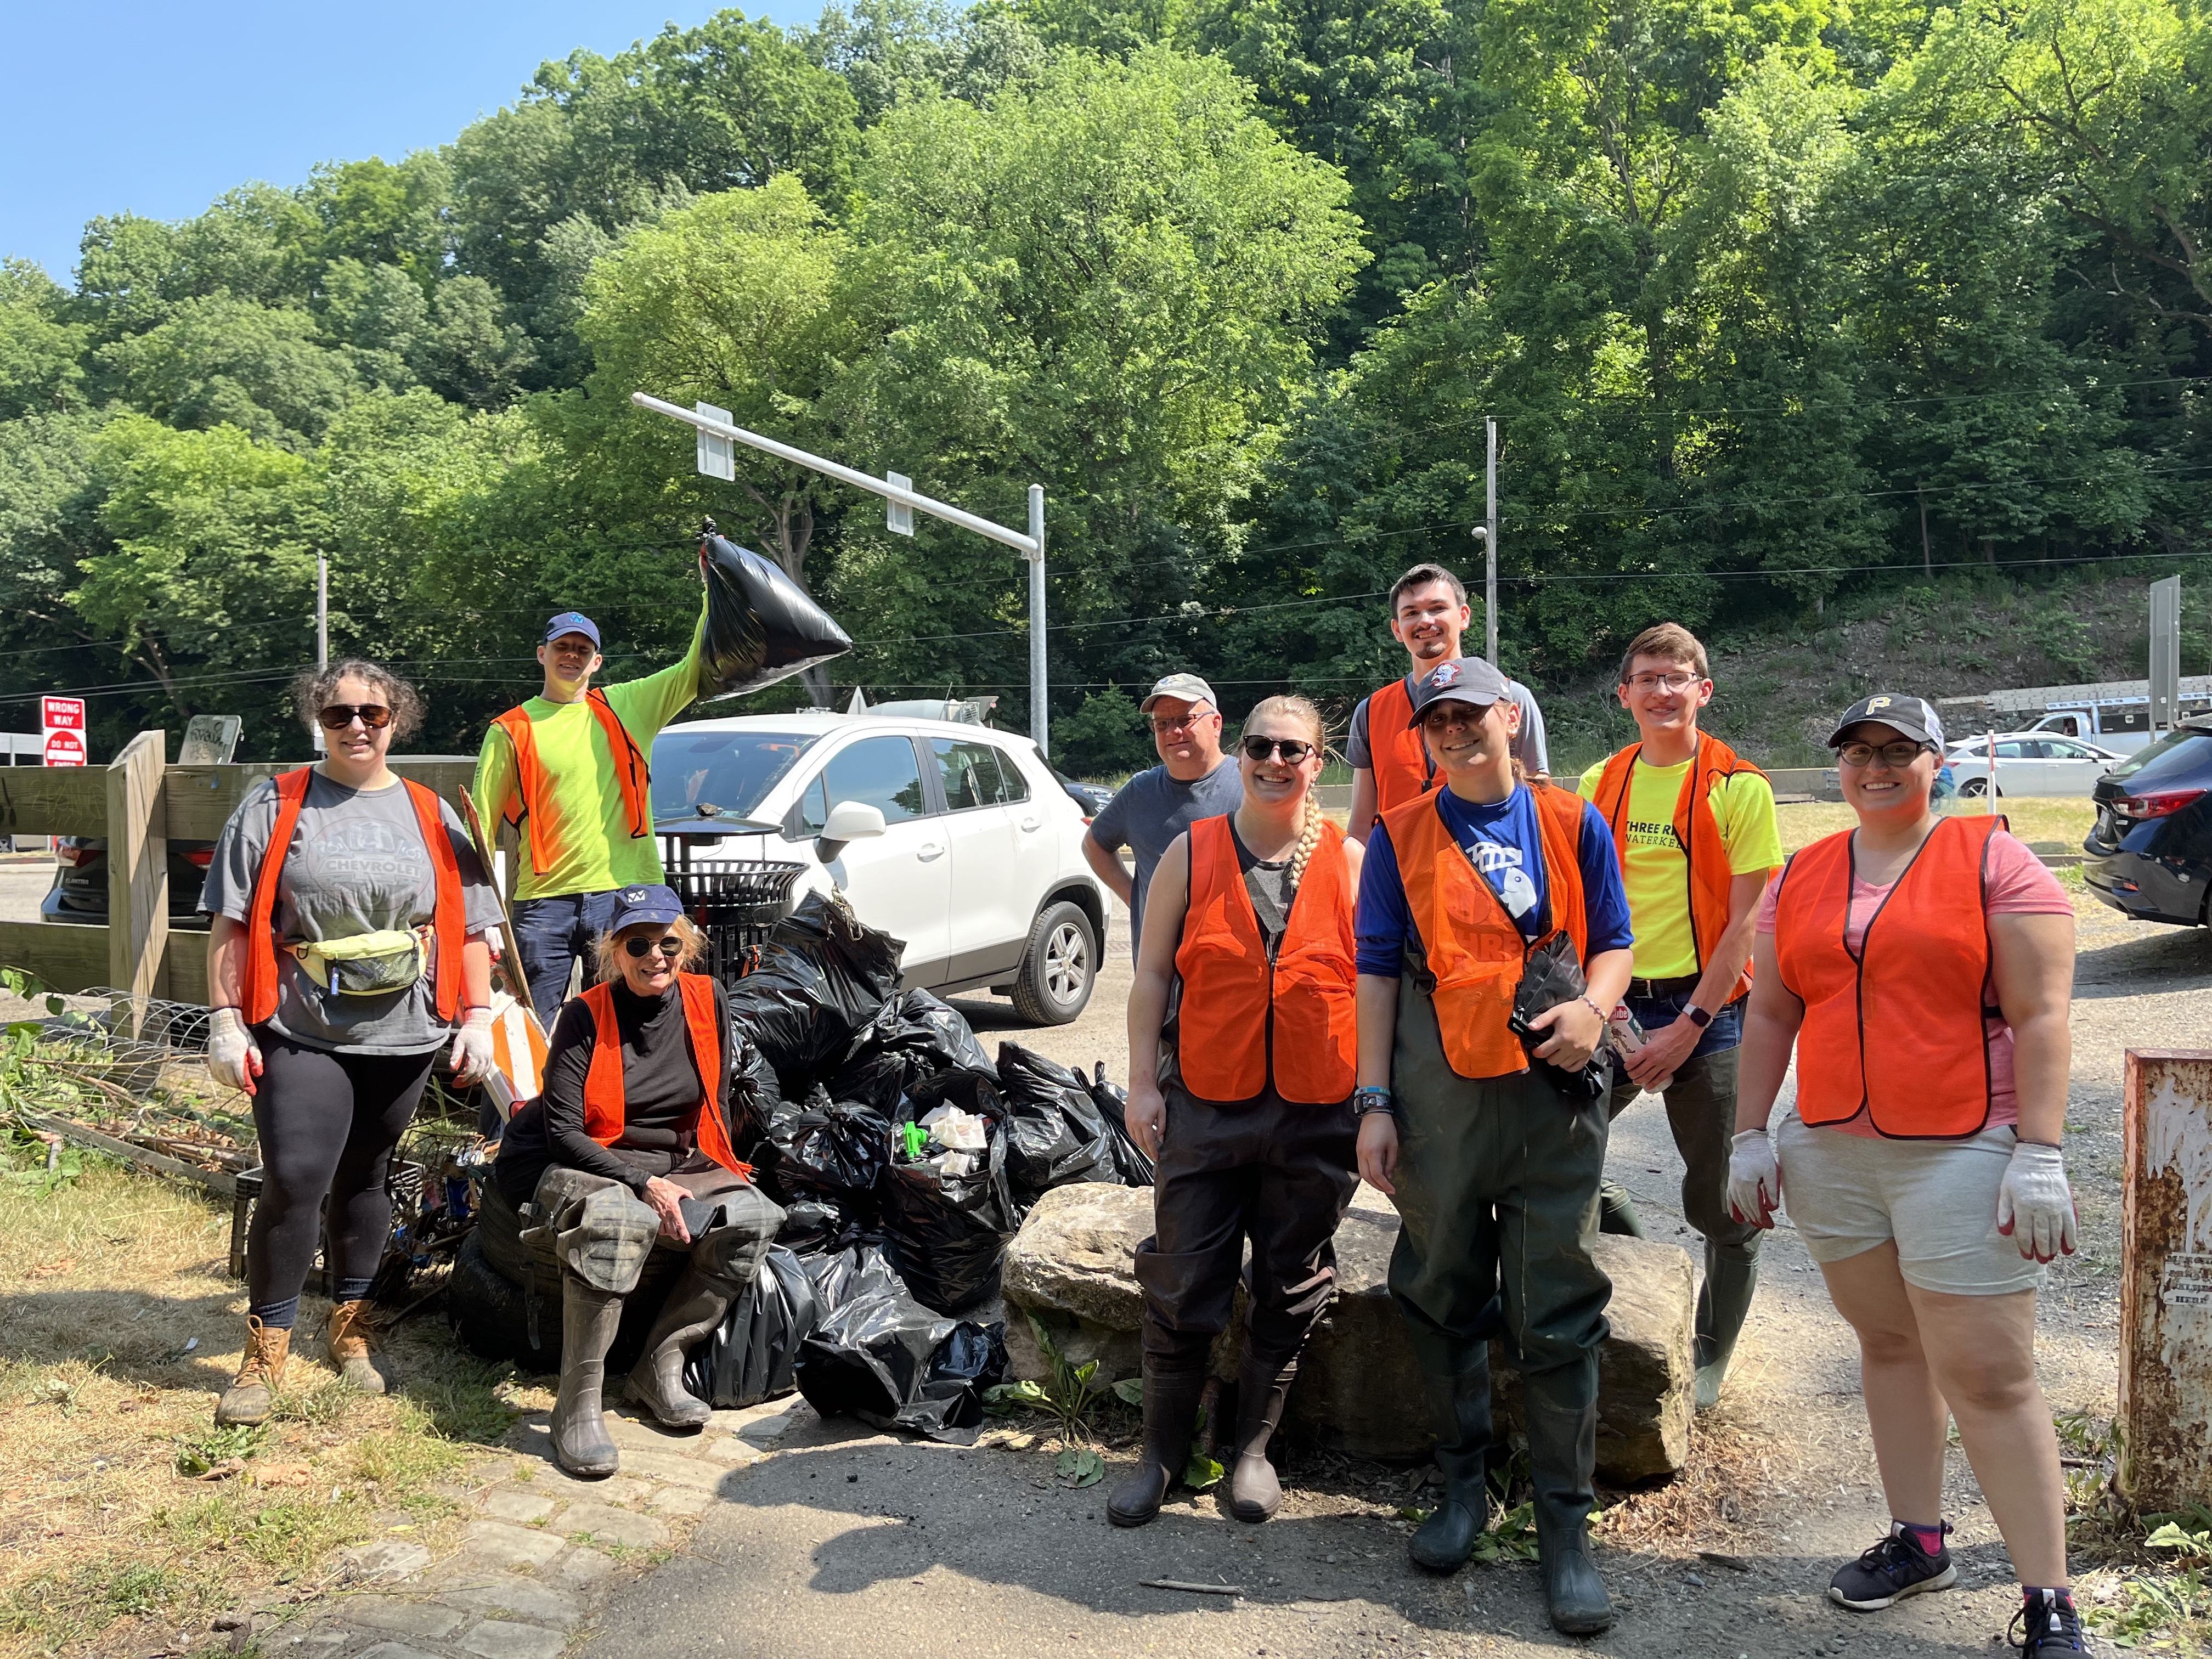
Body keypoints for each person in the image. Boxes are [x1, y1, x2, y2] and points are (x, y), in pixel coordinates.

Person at [1729, 695, 2085, 1658]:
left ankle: (2047, 1594)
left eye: (1897, 750)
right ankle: (1917, 1537)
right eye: (1857, 750)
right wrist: (1749, 1133)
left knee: (1989, 1372)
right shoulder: (1803, 870)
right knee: (1888, 1343)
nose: (1874, 766)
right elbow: (1769, 1012)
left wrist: (2039, 1150)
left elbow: (2043, 1012)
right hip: (1833, 1147)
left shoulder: (1991, 856)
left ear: (1936, 760)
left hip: (1963, 1142)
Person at [1353, 657, 1634, 1635]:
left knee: (1557, 1301)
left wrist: (1597, 1009)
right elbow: (1377, 972)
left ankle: (1566, 1525)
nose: (1458, 733)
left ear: (1510, 718)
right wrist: (1375, 1099)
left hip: (1552, 1097)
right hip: (1437, 1095)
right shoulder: (1399, 834)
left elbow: (1616, 940)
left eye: (1473, 716)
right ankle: (1463, 1489)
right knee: (1438, 1286)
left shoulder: (1571, 818)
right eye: (1440, 724)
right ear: (1423, 738)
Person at [203, 661, 502, 1425]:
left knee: (368, 1176)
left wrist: (477, 1015)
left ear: (396, 719)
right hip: (299, 1026)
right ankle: (264, 1350)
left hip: (405, 1031)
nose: (357, 726)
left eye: (372, 712)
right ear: (318, 721)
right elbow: (233, 924)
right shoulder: (274, 804)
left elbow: (468, 927)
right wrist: (227, 1019)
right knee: (298, 1176)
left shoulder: (436, 813)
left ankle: (351, 1330)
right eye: (339, 715)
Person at [1110, 696, 1363, 1528]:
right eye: (1260, 745)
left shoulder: (1352, 862)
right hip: (1207, 1107)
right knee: (1184, 1280)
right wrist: (1143, 1082)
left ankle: (1251, 1451)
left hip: (1317, 1111)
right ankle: (1160, 1456)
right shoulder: (1194, 850)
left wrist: (1378, 1105)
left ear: (1317, 762)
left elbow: (1381, 988)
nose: (1274, 760)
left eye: (1293, 749)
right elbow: (1150, 976)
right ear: (1242, 752)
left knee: (1290, 1283)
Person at [494, 884, 783, 1479]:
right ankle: (576, 1405)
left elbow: (716, 1100)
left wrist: (711, 1178)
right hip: (577, 1158)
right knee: (619, 1221)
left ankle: (660, 1365)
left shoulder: (709, 999)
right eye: (639, 944)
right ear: (615, 951)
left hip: (669, 1160)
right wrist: (641, 1185)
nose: (657, 956)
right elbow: (563, 1132)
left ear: (689, 947)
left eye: (669, 944)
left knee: (753, 1217)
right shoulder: (584, 1015)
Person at [1578, 623, 1781, 1409]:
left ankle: (1706, 1357)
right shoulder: (1601, 780)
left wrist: (1688, 1026)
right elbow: (1584, 901)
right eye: (1647, 679)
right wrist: (1607, 1006)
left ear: (1704, 690)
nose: (1663, 692)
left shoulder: (1739, 787)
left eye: (1678, 678)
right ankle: (1636, 1263)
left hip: (1711, 1009)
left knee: (1722, 1202)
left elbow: (1744, 925)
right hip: (1618, 1001)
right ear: (1624, 695)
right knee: (1560, 1162)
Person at [475, 598, 713, 1025]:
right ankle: (546, 1095)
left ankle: (617, 1095)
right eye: (562, 646)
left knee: (626, 1024)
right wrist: (481, 917)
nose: (571, 655)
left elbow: (693, 667)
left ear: (597, 661)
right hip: (544, 904)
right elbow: (479, 830)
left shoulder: (628, 706)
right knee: (536, 1026)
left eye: (582, 650)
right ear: (542, 654)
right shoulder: (509, 730)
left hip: (626, 897)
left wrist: (710, 588)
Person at [1346, 563, 1549, 843]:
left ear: (1464, 616)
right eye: (1411, 613)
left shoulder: (1510, 698)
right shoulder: (1370, 712)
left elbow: (1539, 804)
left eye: (1438, 608)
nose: (1425, 621)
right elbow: (1360, 828)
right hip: (1399, 878)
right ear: (1396, 629)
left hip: (1491, 873)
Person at [1082, 673, 1244, 958]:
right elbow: (1094, 844)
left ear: (1216, 723)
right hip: (1160, 976)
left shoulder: (1247, 783)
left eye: (1185, 720)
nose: (1173, 732)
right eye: (1162, 724)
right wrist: (1137, 898)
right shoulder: (1139, 792)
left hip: (1234, 969)